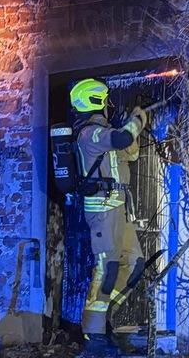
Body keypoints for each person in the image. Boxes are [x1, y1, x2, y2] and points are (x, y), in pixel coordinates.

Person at [70, 78, 148, 355]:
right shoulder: (89, 134)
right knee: (107, 269)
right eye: (106, 101)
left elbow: (130, 152)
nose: (109, 106)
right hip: (102, 211)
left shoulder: (105, 133)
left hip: (119, 209)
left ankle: (104, 319)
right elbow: (123, 138)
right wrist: (138, 119)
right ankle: (93, 334)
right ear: (96, 102)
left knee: (135, 264)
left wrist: (130, 126)